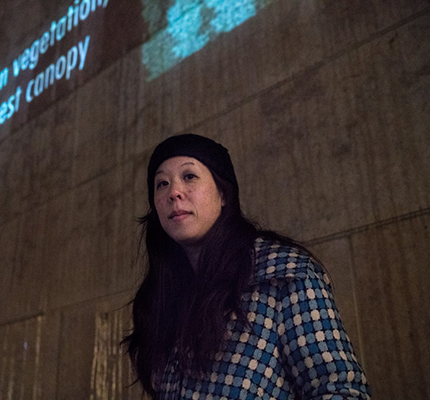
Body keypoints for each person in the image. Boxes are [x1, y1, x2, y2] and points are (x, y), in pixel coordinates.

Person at [124, 134, 370, 399]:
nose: (174, 192)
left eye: (190, 177)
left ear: (223, 193)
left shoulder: (283, 273)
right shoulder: (164, 294)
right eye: (162, 183)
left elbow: (342, 391)